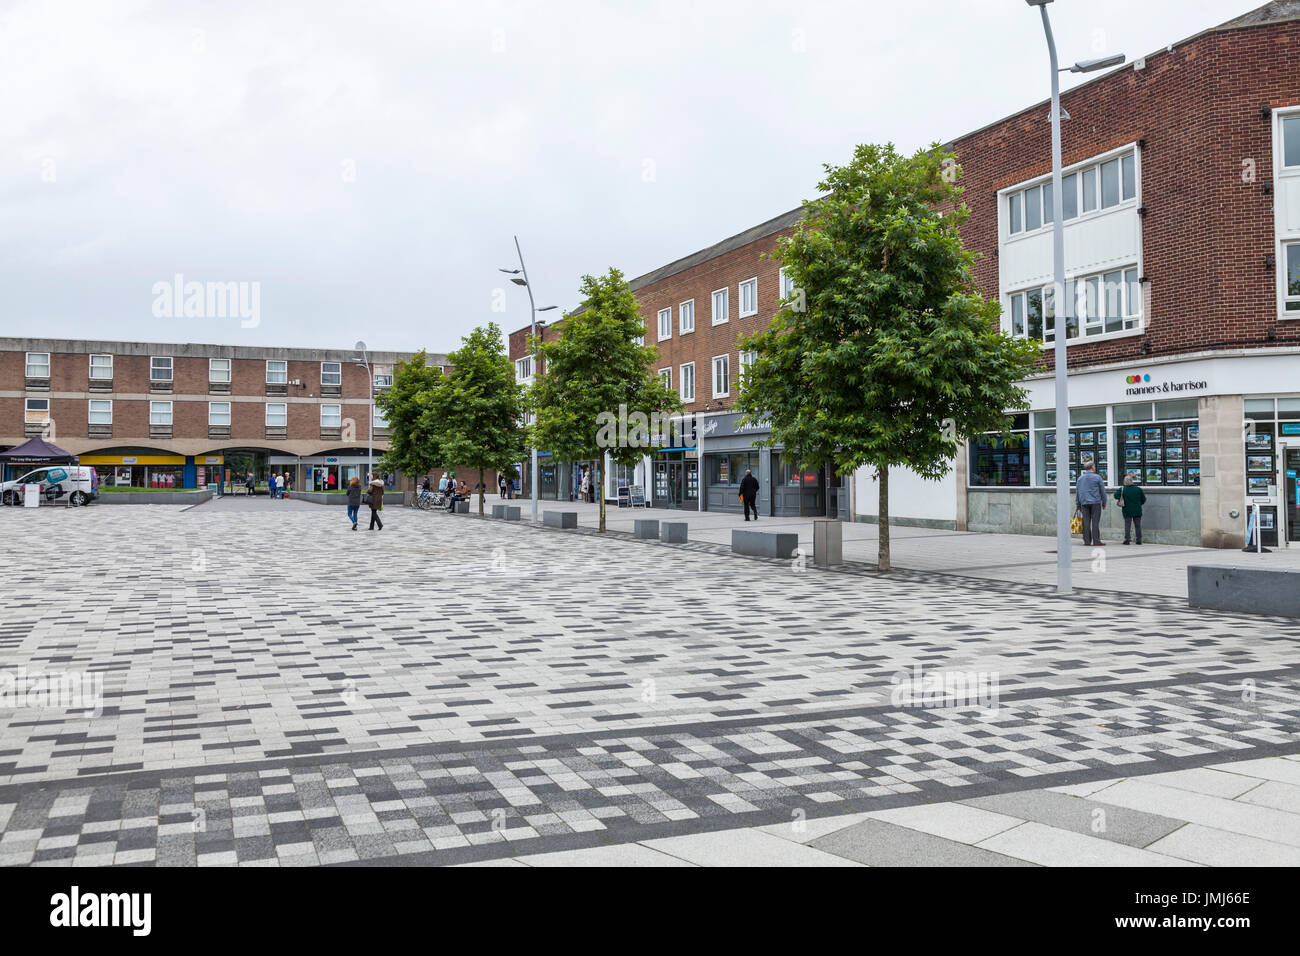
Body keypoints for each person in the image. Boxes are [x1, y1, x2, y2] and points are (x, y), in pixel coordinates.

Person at [1076, 461, 1107, 547]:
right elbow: (1102, 491)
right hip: (1095, 502)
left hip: (1084, 503)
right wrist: (1104, 502)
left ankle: (1087, 541)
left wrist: (1078, 504)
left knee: (1086, 522)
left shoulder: (1080, 479)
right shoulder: (1097, 477)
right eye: (1094, 466)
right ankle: (1096, 541)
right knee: (1095, 522)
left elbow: (1077, 492)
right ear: (1092, 467)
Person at [1115, 474, 1147, 545]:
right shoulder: (1138, 489)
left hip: (1127, 510)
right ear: (1132, 481)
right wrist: (1138, 504)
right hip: (1137, 510)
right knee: (1138, 525)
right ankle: (1139, 540)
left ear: (1125, 482)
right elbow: (1144, 499)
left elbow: (1115, 496)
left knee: (1127, 525)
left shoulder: (1122, 489)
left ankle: (1127, 539)